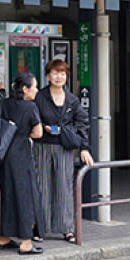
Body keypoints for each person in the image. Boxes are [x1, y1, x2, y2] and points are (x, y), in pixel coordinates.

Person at [32, 59, 93, 243]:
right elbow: (30, 118)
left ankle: (67, 228)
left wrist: (84, 148)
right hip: (42, 146)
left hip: (64, 148)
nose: (59, 77)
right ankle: (40, 228)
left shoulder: (73, 100)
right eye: (55, 73)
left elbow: (82, 124)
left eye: (63, 73)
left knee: (64, 187)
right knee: (42, 187)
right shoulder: (40, 97)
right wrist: (43, 127)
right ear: (48, 75)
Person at [0, 72, 42, 255]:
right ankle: (26, 242)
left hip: (1, 156)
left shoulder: (3, 103)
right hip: (20, 156)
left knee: (4, 195)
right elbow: (38, 133)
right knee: (24, 196)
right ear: (24, 89)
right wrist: (23, 134)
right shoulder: (30, 107)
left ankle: (3, 237)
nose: (36, 90)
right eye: (34, 87)